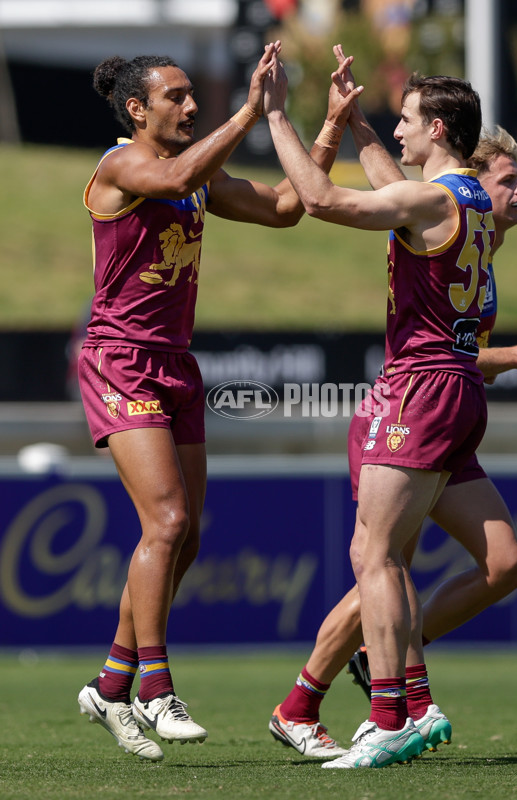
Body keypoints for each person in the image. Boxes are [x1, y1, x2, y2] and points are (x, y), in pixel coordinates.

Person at [76, 43, 354, 762]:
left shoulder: (197, 177)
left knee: (184, 537)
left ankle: (110, 685)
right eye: (176, 97)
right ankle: (154, 688)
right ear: (138, 110)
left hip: (173, 367)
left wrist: (319, 127)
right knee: (165, 520)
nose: (191, 106)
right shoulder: (122, 166)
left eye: (193, 94)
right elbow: (172, 174)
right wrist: (249, 112)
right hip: (120, 362)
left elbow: (290, 206)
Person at [264, 50, 495, 769]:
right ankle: (396, 706)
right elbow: (397, 190)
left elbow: (321, 201)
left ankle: (391, 713)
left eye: (405, 120)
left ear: (439, 126)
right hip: (456, 388)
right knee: (393, 557)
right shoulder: (472, 197)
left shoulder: (435, 200)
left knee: (377, 557)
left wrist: (278, 116)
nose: (399, 131)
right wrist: (359, 123)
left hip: (419, 390)